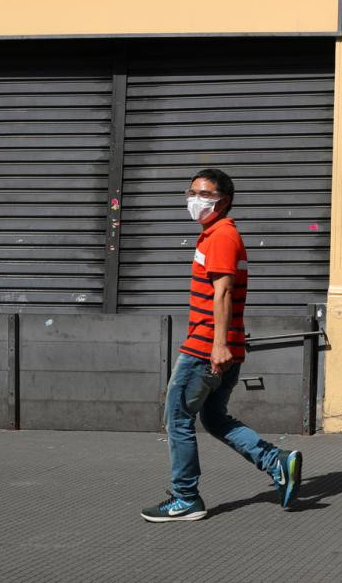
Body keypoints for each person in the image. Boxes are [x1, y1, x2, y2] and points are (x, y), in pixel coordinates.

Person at [142, 168, 302, 522]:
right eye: (191, 192)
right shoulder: (214, 234)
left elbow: (224, 291)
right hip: (222, 344)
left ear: (224, 201)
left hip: (205, 347)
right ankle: (277, 462)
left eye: (205, 194)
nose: (194, 200)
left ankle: (185, 498)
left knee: (178, 419)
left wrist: (217, 346)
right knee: (214, 418)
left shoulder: (222, 236)